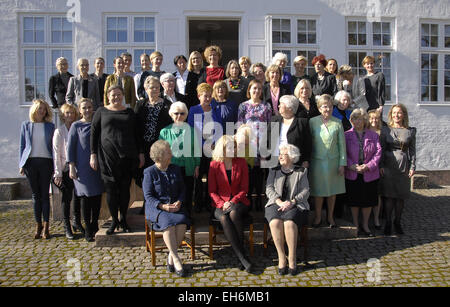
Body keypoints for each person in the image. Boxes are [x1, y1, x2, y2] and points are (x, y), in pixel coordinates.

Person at [90, 85, 145, 235]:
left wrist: (141, 153)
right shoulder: (101, 112)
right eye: (113, 95)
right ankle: (114, 220)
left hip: (127, 158)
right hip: (108, 159)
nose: (116, 97)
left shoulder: (130, 112)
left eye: (119, 94)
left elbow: (137, 134)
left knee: (124, 191)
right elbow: (94, 134)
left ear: (123, 95)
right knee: (111, 191)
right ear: (108, 96)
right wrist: (93, 154)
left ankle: (124, 219)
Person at [143, 140, 191, 277]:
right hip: (157, 208)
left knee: (182, 221)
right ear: (160, 156)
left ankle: (170, 256)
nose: (171, 153)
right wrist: (162, 206)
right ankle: (176, 259)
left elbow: (183, 189)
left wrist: (180, 201)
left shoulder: (175, 168)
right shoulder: (149, 172)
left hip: (175, 207)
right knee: (169, 224)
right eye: (168, 152)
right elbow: (148, 196)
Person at [208, 135, 253, 273]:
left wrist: (232, 201)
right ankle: (242, 256)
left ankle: (240, 255)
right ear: (222, 149)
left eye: (234, 146)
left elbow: (245, 189)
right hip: (219, 203)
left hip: (239, 201)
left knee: (233, 213)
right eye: (230, 147)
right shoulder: (214, 164)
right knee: (223, 217)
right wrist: (222, 203)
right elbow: (212, 191)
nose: (234, 149)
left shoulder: (241, 162)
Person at [265, 143, 309, 276]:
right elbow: (269, 188)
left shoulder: (301, 171)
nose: (280, 157)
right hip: (275, 204)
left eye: (283, 154)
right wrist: (278, 201)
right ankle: (281, 257)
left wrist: (292, 201)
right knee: (275, 222)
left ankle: (292, 258)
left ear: (291, 156)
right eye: (280, 155)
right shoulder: (273, 170)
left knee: (289, 223)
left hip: (295, 204)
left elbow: (305, 191)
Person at [67, 98, 104, 242]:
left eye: (90, 107)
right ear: (80, 110)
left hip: (97, 167)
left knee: (96, 197)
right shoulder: (76, 126)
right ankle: (88, 228)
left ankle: (95, 224)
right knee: (85, 199)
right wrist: (71, 166)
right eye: (84, 108)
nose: (87, 110)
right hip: (82, 168)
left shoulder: (97, 124)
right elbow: (70, 148)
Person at [309, 94, 346, 228]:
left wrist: (342, 163)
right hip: (317, 161)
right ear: (319, 108)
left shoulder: (338, 122)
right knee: (318, 192)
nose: (328, 109)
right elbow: (310, 143)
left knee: (332, 191)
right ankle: (318, 217)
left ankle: (330, 217)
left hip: (333, 162)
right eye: (325, 106)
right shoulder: (312, 122)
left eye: (330, 106)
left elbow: (342, 145)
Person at [19, 99, 55, 239]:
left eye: (44, 109)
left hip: (46, 162)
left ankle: (46, 226)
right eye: (40, 108)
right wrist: (21, 164)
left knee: (45, 195)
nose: (42, 111)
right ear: (34, 110)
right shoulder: (26, 125)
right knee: (35, 196)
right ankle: (38, 225)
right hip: (30, 163)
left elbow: (53, 146)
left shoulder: (50, 126)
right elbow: (22, 146)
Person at [379, 104, 416, 235]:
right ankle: (388, 222)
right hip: (389, 165)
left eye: (399, 113)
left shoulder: (410, 131)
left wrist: (413, 167)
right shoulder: (385, 130)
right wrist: (381, 165)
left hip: (404, 166)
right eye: (394, 113)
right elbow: (381, 149)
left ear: (404, 114)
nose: (396, 115)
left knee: (400, 197)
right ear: (391, 115)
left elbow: (412, 151)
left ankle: (397, 222)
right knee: (389, 196)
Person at [344, 108, 381, 237]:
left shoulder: (373, 135)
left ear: (365, 120)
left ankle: (365, 225)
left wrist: (368, 166)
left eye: (360, 119)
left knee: (368, 201)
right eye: (355, 118)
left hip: (369, 173)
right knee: (354, 201)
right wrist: (351, 166)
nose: (358, 121)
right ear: (351, 120)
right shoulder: (346, 135)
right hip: (353, 173)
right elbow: (343, 153)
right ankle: (356, 224)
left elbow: (378, 153)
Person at [159, 101, 200, 215]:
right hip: (171, 168)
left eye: (182, 113)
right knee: (173, 194)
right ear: (171, 114)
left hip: (188, 167)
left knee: (187, 193)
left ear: (186, 115)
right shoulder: (164, 132)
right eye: (176, 113)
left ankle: (187, 216)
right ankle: (175, 217)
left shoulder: (191, 130)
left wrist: (197, 165)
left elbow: (196, 149)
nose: (179, 116)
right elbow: (160, 152)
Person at [238, 79, 272, 211]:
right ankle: (248, 200)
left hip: (262, 144)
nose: (256, 91)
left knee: (259, 175)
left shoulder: (266, 106)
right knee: (247, 174)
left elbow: (270, 127)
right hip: (247, 145)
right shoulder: (243, 106)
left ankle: (258, 199)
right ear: (249, 90)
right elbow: (240, 125)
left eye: (259, 88)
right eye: (254, 88)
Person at [187, 83, 219, 213]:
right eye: (205, 96)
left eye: (209, 96)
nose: (207, 98)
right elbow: (191, 129)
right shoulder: (194, 109)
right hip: (199, 148)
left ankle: (209, 202)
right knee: (198, 177)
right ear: (199, 96)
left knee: (211, 176)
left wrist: (214, 142)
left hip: (212, 148)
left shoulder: (215, 109)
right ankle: (198, 203)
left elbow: (219, 127)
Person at [52, 103, 79, 239]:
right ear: (63, 115)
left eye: (72, 113)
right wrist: (57, 174)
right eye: (67, 113)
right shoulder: (59, 131)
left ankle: (76, 222)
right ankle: (66, 226)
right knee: (66, 198)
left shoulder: (76, 127)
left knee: (78, 196)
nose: (70, 115)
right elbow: (56, 154)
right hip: (64, 168)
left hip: (77, 168)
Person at [268, 95, 312, 168]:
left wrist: (306, 160)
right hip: (275, 161)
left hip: (294, 161)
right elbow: (267, 139)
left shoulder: (302, 123)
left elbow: (307, 144)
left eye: (281, 104)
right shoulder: (274, 120)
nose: (278, 106)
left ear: (290, 108)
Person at [368, 109, 383, 229]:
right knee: (370, 193)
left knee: (378, 194)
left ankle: (377, 218)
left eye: (376, 118)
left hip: (380, 166)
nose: (374, 120)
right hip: (368, 166)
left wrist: (382, 165)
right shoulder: (365, 131)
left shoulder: (383, 132)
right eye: (371, 118)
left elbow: (384, 150)